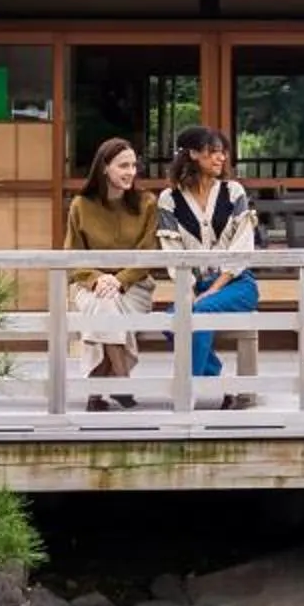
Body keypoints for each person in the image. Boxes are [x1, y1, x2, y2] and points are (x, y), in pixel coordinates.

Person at [156, 124, 262, 408]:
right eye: (213, 152)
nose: (221, 158)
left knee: (199, 313)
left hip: (236, 284)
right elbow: (172, 252)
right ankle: (220, 383)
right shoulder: (169, 200)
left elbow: (242, 247)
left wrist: (214, 288)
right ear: (193, 154)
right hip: (193, 284)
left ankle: (186, 390)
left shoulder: (233, 192)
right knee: (172, 320)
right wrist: (189, 290)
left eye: (222, 152)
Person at [64, 136, 160, 408]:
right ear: (105, 167)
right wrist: (97, 279)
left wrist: (119, 280)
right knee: (104, 305)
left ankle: (96, 393)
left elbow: (149, 252)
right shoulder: (81, 205)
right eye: (123, 166)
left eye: (133, 165)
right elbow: (72, 255)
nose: (131, 172)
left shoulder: (147, 203)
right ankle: (122, 381)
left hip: (135, 286)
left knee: (105, 309)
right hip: (90, 286)